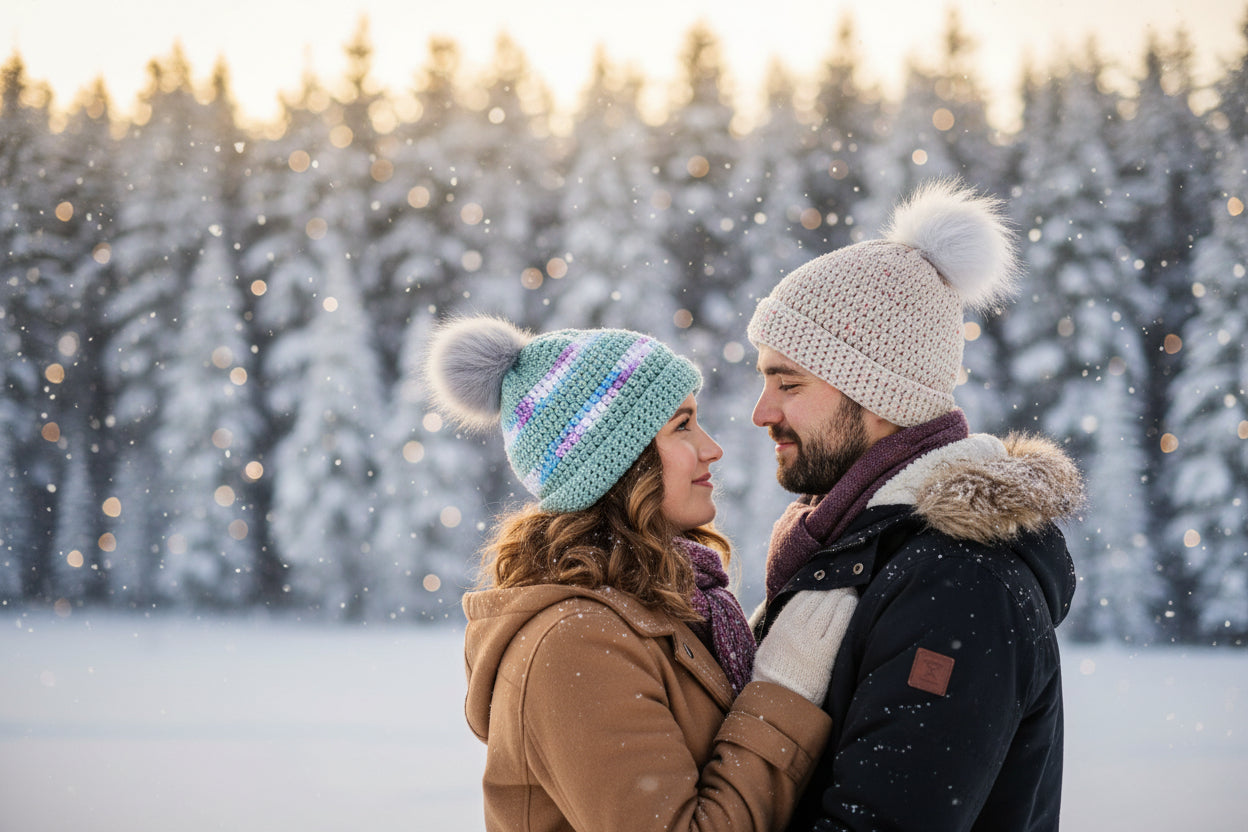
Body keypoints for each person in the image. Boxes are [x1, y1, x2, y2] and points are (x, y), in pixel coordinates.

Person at [423, 317, 859, 832]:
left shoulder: (663, 606)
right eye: (682, 425)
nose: (711, 448)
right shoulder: (577, 642)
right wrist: (784, 688)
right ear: (622, 463)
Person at [745, 179, 1085, 831]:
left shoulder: (959, 585)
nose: (763, 412)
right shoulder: (861, 552)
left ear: (878, 393)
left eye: (788, 382)